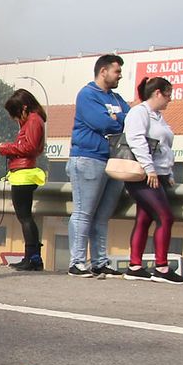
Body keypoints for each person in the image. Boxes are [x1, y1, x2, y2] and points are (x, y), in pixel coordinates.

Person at [67, 53, 128, 279]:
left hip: (111, 160)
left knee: (102, 216)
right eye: (117, 71)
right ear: (103, 71)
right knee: (84, 212)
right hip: (88, 158)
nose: (119, 76)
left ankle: (100, 261)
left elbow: (129, 121)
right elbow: (101, 122)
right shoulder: (87, 95)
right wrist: (115, 122)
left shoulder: (117, 99)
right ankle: (77, 262)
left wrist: (115, 121)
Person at [120, 76, 183, 283]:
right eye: (168, 95)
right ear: (157, 93)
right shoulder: (139, 112)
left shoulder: (158, 116)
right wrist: (150, 169)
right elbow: (136, 140)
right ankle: (162, 267)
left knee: (145, 218)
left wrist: (169, 173)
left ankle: (135, 265)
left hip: (159, 174)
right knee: (165, 217)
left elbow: (164, 148)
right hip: (145, 176)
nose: (169, 100)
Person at [0, 88, 47, 271]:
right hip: (23, 171)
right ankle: (33, 256)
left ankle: (31, 257)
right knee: (25, 217)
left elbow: (30, 147)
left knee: (24, 217)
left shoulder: (33, 120)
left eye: (17, 113)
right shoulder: (35, 119)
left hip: (24, 172)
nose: (16, 118)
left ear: (24, 108)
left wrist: (7, 148)